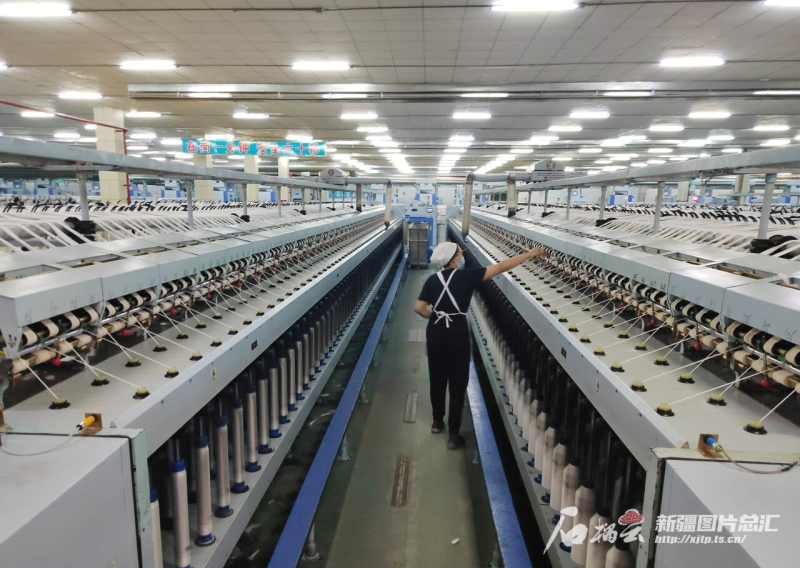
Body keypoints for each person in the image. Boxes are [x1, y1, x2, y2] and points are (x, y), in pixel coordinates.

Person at [414, 241, 546, 449]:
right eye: (460, 253)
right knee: (457, 384)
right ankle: (453, 435)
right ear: (454, 259)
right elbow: (501, 266)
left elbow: (419, 307)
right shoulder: (468, 276)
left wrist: (435, 316)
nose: (462, 256)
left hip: (435, 333)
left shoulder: (432, 280)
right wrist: (529, 254)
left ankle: (437, 422)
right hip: (457, 332)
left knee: (437, 379)